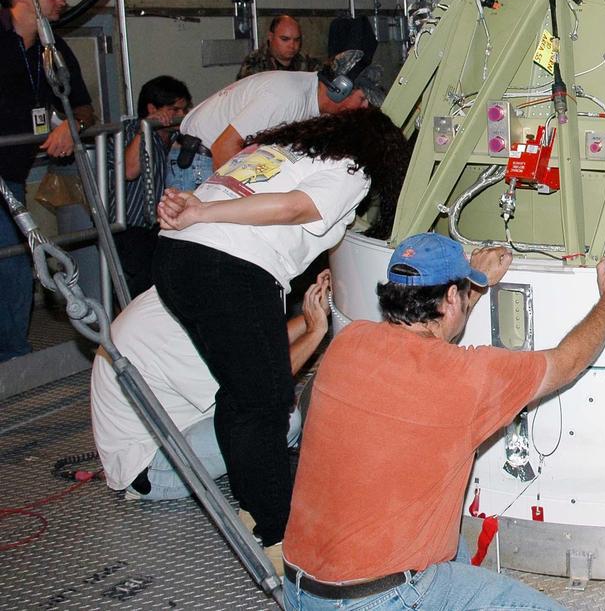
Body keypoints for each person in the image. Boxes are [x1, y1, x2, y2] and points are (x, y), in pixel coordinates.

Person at [282, 234, 605, 611]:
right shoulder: (468, 377)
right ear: (451, 298)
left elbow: (431, 348)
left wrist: (473, 289)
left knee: (450, 548)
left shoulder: (349, 343)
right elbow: (567, 361)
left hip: (299, 588)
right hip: (384, 598)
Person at [151, 108, 409, 567]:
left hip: (177, 259)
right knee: (266, 404)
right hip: (229, 267)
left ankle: (253, 507)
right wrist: (201, 211)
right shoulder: (352, 167)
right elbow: (294, 207)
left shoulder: (280, 149)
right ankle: (280, 536)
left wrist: (195, 211)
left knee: (242, 393)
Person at [90, 271, 331, 501]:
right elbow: (263, 385)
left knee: (266, 411)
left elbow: (259, 345)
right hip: (152, 466)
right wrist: (314, 333)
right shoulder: (177, 337)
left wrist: (317, 314)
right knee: (281, 422)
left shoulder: (186, 294)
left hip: (171, 425)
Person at [1, 0, 96, 362]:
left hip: (12, 176)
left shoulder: (50, 48)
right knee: (15, 264)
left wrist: (67, 126)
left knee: (18, 263)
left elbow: (84, 107)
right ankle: (15, 356)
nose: (62, 2)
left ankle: (13, 357)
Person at [168, 50, 380, 193]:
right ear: (338, 89)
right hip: (200, 163)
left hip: (209, 158)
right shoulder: (287, 97)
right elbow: (224, 147)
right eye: (362, 99)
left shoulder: (310, 99)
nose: (364, 108)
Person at [104, 76, 191, 297]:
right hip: (129, 226)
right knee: (144, 284)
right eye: (175, 109)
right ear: (153, 108)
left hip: (160, 225)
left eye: (184, 109)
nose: (181, 116)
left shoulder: (175, 136)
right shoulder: (128, 130)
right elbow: (129, 171)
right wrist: (145, 129)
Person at [237, 15, 322, 80]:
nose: (292, 45)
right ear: (270, 37)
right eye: (285, 39)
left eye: (296, 40)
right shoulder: (254, 63)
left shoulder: (306, 63)